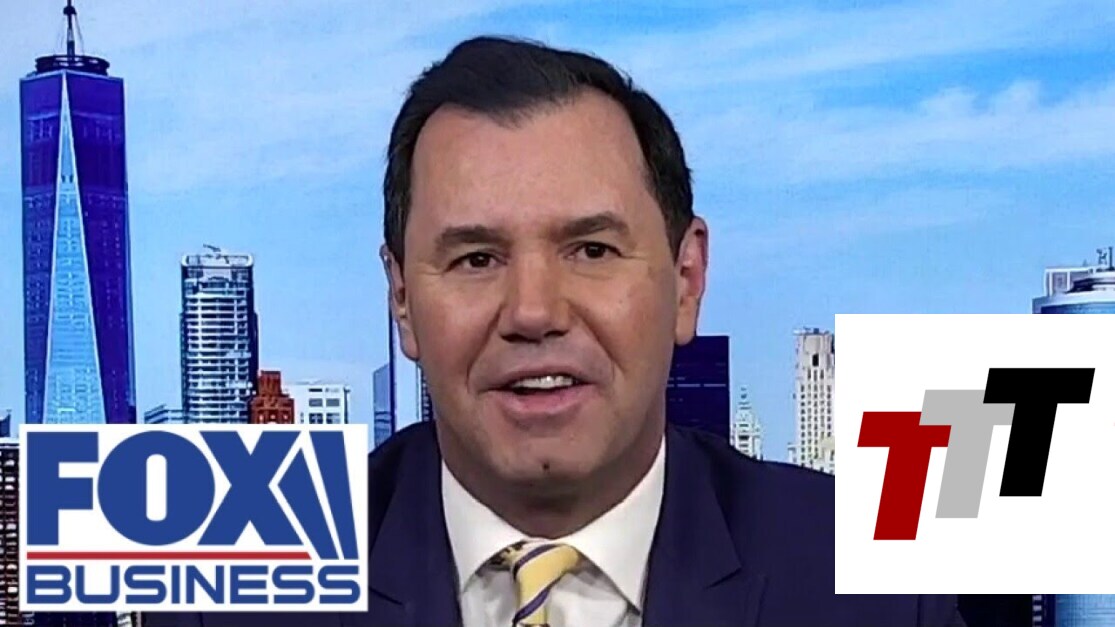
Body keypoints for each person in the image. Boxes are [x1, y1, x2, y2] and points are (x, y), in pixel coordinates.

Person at [147, 36, 964, 627]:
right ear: (401, 298)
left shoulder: (871, 582)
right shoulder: (236, 589)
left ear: (686, 281)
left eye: (591, 250)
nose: (533, 312)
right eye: (475, 259)